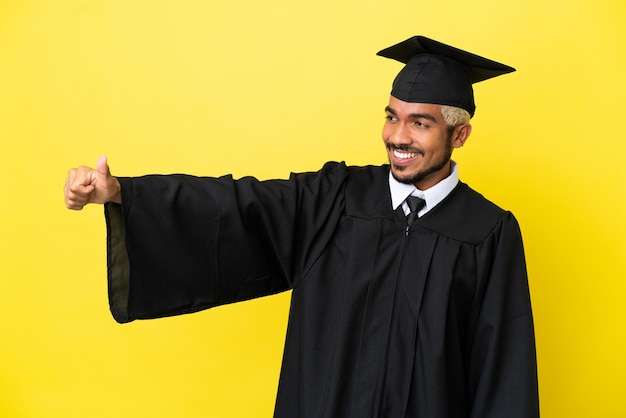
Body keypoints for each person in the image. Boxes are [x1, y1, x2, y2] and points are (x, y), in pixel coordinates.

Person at [65, 36, 539, 417]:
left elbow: (504, 370)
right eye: (392, 117)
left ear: (459, 135)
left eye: (420, 124)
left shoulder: (487, 232)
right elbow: (236, 206)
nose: (397, 136)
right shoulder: (334, 198)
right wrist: (122, 192)